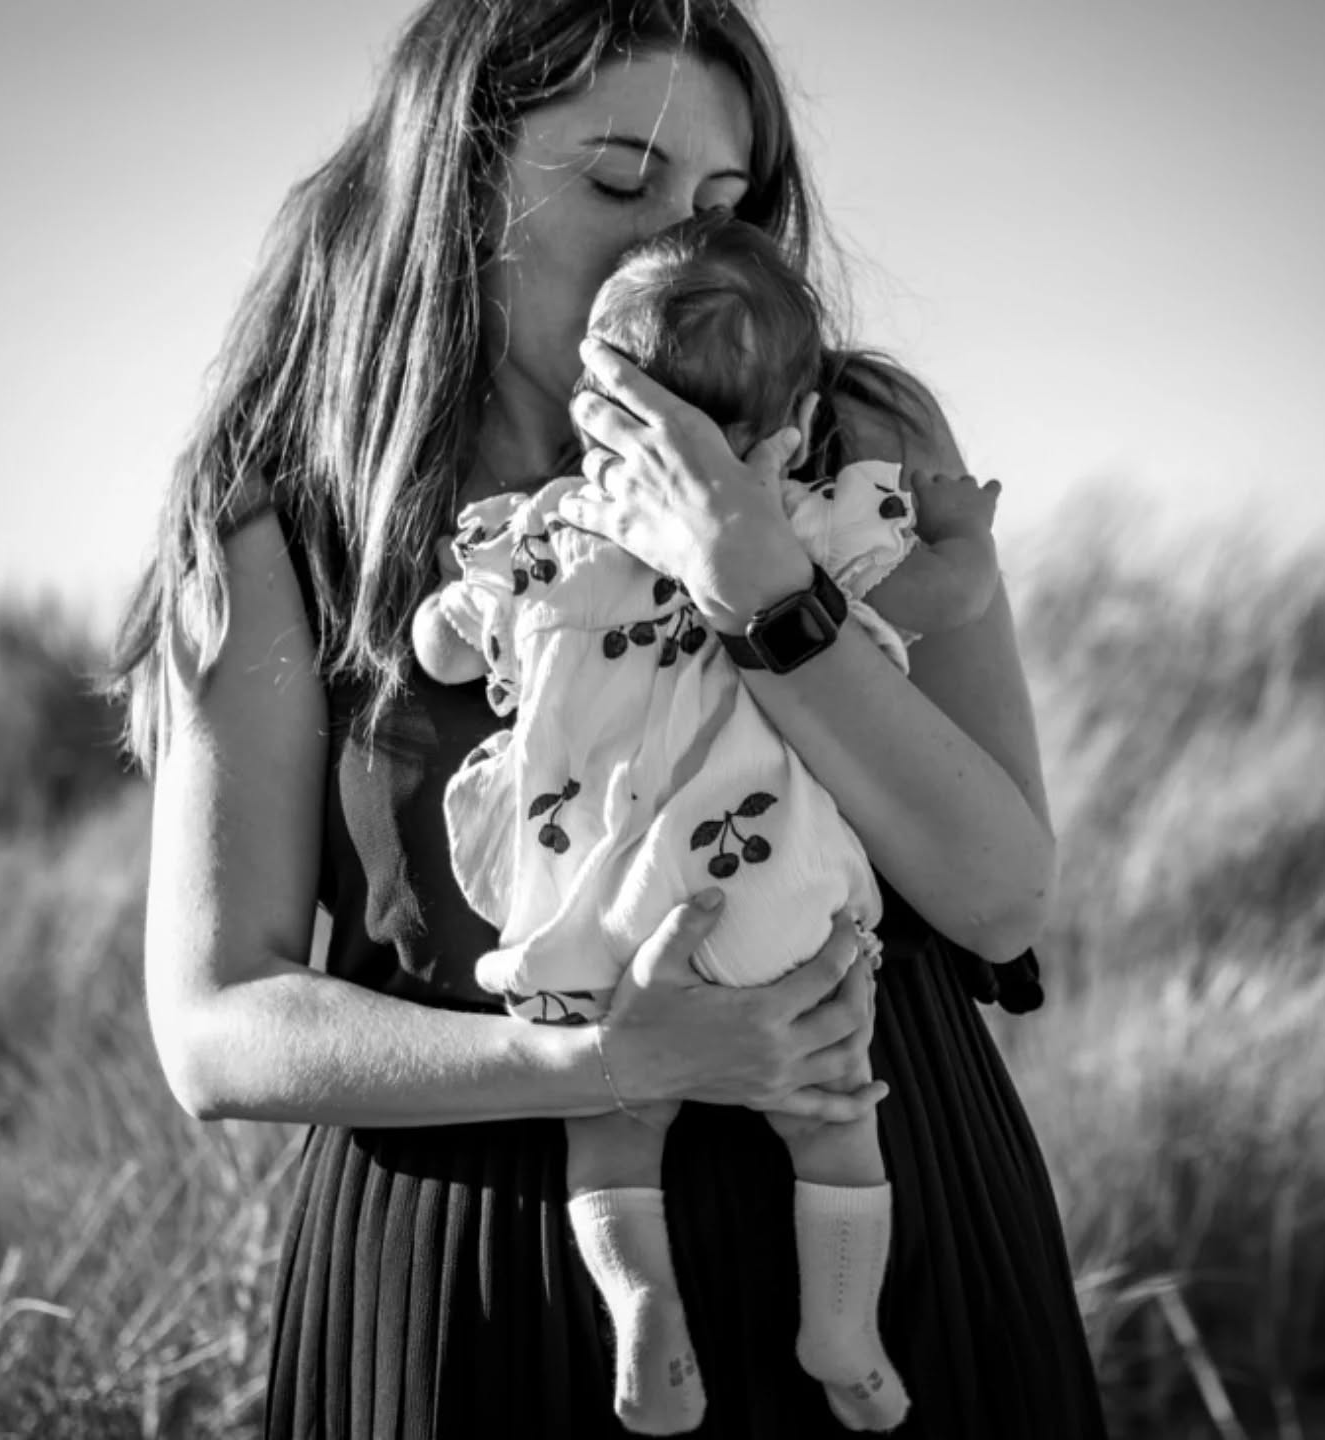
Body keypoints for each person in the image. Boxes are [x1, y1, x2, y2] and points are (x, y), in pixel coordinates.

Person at [112, 2, 1107, 1436]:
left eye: (721, 202)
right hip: (493, 1276)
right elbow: (219, 1028)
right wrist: (609, 1065)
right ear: (456, 188)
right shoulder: (291, 519)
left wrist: (763, 589)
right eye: (619, 185)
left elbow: (1001, 898)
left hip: (891, 1209)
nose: (675, 249)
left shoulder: (859, 444)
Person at [410, 213, 1002, 1434]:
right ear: (788, 430)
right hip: (772, 896)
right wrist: (964, 535)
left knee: (612, 1131)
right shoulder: (812, 517)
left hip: (600, 912)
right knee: (835, 1113)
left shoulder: (557, 524)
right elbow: (946, 598)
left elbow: (441, 645)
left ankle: (643, 1313)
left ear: (603, 406)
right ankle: (841, 1326)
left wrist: (467, 621)